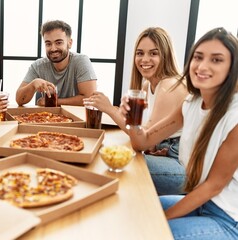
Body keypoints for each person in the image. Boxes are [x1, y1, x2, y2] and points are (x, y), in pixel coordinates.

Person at [123, 27, 238, 239]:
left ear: (232, 68)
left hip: (229, 219)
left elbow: (213, 186)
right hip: (202, 203)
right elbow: (143, 142)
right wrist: (132, 121)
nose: (202, 66)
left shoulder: (235, 116)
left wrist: (162, 219)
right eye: (198, 57)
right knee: (133, 211)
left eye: (216, 60)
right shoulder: (191, 103)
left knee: (152, 232)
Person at [84, 27, 188, 195]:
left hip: (182, 167)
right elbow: (143, 136)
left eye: (153, 53)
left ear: (165, 55)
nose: (144, 59)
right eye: (140, 53)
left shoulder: (168, 86)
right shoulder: (148, 85)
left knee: (119, 163)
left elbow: (141, 142)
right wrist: (118, 113)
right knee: (111, 155)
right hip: (168, 152)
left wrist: (111, 110)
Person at [15, 20, 97, 106]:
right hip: (46, 117)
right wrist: (33, 84)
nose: (53, 49)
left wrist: (53, 101)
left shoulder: (81, 61)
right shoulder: (38, 66)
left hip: (76, 116)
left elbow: (90, 98)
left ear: (69, 43)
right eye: (48, 44)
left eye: (58, 43)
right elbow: (19, 100)